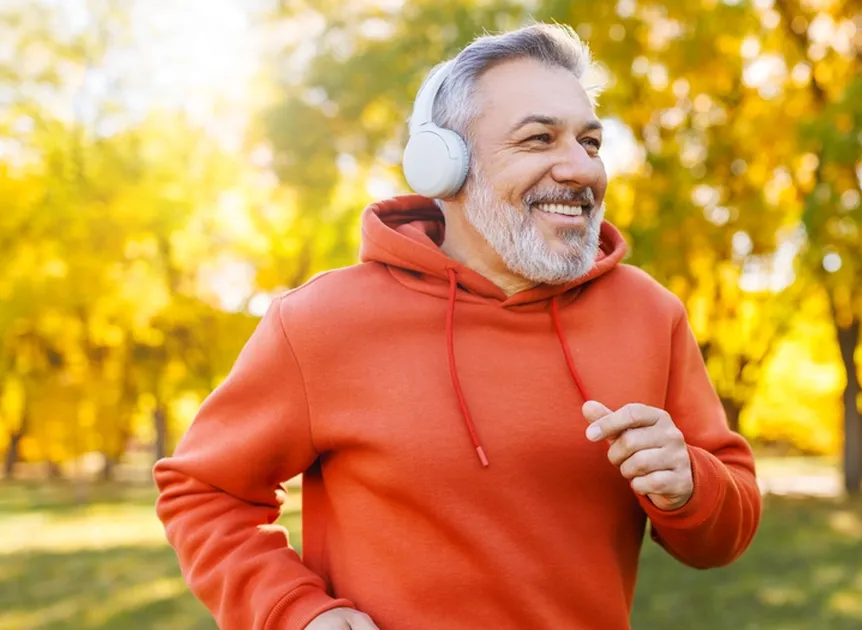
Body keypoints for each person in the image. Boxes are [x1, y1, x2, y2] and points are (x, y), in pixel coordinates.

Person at [154, 22, 761, 630]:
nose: (581, 169)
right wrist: (294, 613)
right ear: (444, 165)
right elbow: (204, 492)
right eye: (539, 139)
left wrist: (690, 485)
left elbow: (723, 535)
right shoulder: (320, 320)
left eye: (591, 142)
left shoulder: (651, 314)